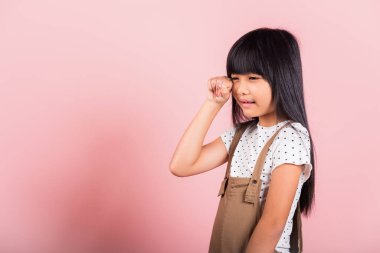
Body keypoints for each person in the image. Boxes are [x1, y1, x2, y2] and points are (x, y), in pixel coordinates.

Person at [169, 27, 315, 253]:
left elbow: (272, 224)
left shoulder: (290, 138)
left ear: (283, 78)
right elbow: (181, 165)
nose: (241, 89)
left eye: (253, 78)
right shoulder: (241, 135)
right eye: (235, 78)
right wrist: (213, 103)